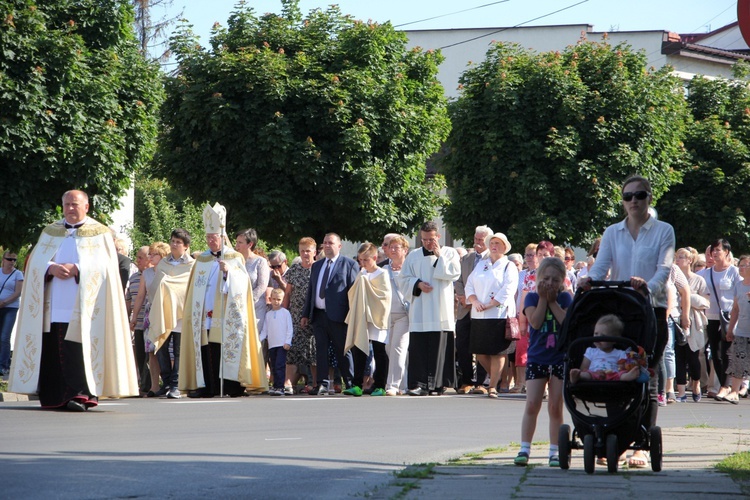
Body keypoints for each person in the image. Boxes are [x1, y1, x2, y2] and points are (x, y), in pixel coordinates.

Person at [8, 190, 138, 410]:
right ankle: (55, 396)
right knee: (53, 349)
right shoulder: (51, 231)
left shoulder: (100, 233)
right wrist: (51, 268)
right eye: (66, 204)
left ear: (86, 207)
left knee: (79, 351)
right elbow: (36, 262)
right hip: (52, 304)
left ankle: (81, 395)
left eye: (75, 204)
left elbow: (107, 268)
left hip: (85, 306)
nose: (70, 208)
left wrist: (78, 268)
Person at [579, 175, 675, 469]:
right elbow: (602, 266)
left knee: (646, 372)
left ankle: (642, 443)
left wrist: (647, 286)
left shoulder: (663, 231)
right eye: (629, 196)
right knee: (612, 371)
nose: (634, 200)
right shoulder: (612, 232)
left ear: (649, 198)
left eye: (640, 195)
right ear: (623, 201)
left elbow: (665, 269)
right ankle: (617, 437)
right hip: (620, 309)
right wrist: (589, 281)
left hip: (649, 308)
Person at [179, 203, 268, 398]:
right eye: (208, 237)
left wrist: (229, 274)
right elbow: (194, 288)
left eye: (214, 237)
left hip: (227, 314)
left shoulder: (234, 257)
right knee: (205, 350)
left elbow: (243, 283)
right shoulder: (201, 260)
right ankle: (206, 387)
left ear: (221, 237)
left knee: (225, 348)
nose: (211, 241)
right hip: (204, 314)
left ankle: (230, 387)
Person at [514, 257, 572, 467]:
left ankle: (555, 451)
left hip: (559, 358)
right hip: (538, 358)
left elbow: (566, 323)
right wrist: (543, 300)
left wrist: (553, 301)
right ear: (538, 278)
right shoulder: (530, 298)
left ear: (562, 281)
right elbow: (536, 322)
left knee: (556, 406)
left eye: (555, 280)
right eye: (545, 278)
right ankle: (524, 448)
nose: (549, 283)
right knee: (532, 404)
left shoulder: (566, 299)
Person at [397, 221, 461, 396]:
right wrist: (417, 284)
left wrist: (440, 256)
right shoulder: (413, 256)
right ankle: (419, 384)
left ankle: (438, 384)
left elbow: (454, 273)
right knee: (419, 348)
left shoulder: (449, 253)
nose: (427, 242)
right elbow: (403, 279)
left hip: (441, 309)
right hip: (420, 310)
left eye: (431, 239)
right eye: (424, 239)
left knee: (439, 346)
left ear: (438, 236)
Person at [301, 232, 359, 395]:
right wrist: (306, 313)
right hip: (319, 315)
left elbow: (353, 292)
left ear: (339, 246)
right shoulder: (317, 265)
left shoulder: (349, 264)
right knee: (321, 350)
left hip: (339, 316)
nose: (327, 245)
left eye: (330, 243)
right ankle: (322, 384)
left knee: (343, 350)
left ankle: (349, 383)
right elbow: (311, 291)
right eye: (325, 242)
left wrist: (351, 316)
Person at [465, 232, 517, 398]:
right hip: (479, 314)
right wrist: (474, 301)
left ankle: (493, 385)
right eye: (492, 243)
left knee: (498, 352)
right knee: (480, 352)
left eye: (498, 243)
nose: (494, 246)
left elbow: (508, 289)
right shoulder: (481, 264)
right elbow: (469, 285)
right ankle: (498, 376)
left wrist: (490, 304)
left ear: (504, 247)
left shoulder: (509, 266)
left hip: (499, 314)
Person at [147, 228, 194, 399]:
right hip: (163, 311)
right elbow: (156, 286)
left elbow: (189, 287)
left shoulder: (191, 265)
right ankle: (166, 381)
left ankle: (176, 384)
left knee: (179, 350)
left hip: (181, 313)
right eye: (172, 241)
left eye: (178, 242)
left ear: (186, 246)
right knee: (161, 348)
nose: (174, 244)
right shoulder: (163, 264)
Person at [344, 242, 391, 396]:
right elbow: (354, 294)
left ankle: (380, 385)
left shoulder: (382, 274)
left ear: (375, 258)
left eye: (366, 260)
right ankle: (357, 384)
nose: (362, 264)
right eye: (360, 261)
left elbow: (384, 296)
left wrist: (366, 286)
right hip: (363, 317)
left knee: (379, 350)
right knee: (359, 349)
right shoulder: (361, 274)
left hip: (377, 317)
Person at [698, 238, 740, 402]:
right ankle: (724, 385)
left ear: (727, 252)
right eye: (713, 250)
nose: (714, 253)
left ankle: (726, 385)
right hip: (711, 316)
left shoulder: (733, 272)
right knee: (714, 352)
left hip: (729, 317)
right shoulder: (706, 272)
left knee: (727, 351)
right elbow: (689, 281)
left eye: (718, 250)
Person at [454, 225, 492, 394]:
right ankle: (466, 380)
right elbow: (458, 280)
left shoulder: (494, 259)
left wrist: (476, 300)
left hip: (483, 309)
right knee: (463, 345)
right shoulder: (466, 259)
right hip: (464, 309)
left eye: (481, 240)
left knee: (482, 346)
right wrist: (464, 298)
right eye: (475, 239)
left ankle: (481, 383)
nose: (477, 243)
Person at [130, 242, 170, 397]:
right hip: (150, 314)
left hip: (166, 313)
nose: (150, 257)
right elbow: (140, 296)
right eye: (150, 254)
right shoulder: (146, 274)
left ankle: (171, 383)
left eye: (154, 254)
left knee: (167, 350)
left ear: (163, 256)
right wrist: (134, 317)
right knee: (152, 351)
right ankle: (154, 386)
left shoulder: (169, 271)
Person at [674, 247, 709, 403]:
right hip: (676, 320)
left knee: (693, 356)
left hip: (693, 322)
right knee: (678, 355)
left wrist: (689, 298)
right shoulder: (672, 277)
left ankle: (696, 382)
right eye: (676, 256)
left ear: (690, 260)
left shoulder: (698, 280)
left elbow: (706, 302)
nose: (678, 259)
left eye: (681, 257)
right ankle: (681, 391)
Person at [283, 237, 318, 393]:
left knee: (312, 351)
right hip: (295, 315)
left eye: (308, 251)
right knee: (292, 350)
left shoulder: (318, 269)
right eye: (302, 251)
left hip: (314, 315)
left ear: (314, 252)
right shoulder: (295, 269)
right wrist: (284, 312)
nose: (305, 254)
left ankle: (315, 383)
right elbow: (288, 293)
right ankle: (288, 383)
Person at [569, 314, 643, 383]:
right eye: (596, 333)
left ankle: (628, 376)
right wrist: (583, 373)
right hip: (594, 374)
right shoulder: (591, 351)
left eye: (603, 336)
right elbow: (583, 368)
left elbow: (623, 367)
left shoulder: (620, 353)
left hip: (613, 375)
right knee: (586, 374)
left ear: (614, 340)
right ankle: (577, 376)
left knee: (621, 374)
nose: (598, 338)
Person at [383, 235, 410, 396]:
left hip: (404, 314)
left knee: (398, 349)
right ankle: (404, 384)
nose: (392, 250)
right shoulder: (384, 269)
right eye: (390, 247)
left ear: (405, 250)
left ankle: (392, 385)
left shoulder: (409, 268)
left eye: (396, 247)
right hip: (386, 316)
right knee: (390, 349)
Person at [724, 254, 750, 404]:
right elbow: (735, 309)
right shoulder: (739, 286)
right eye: (740, 265)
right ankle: (734, 391)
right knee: (738, 361)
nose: (742, 268)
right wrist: (730, 329)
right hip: (741, 330)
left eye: (746, 265)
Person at [125, 246, 152, 393]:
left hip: (150, 322)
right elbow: (129, 300)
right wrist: (128, 318)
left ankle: (149, 386)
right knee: (140, 356)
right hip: (138, 324)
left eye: (141, 257)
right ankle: (143, 385)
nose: (137, 260)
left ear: (149, 258)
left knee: (150, 357)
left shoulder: (154, 275)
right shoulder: (133, 278)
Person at [235, 228, 270, 333]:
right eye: (236, 242)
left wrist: (247, 300)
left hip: (255, 309)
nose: (237, 245)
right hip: (237, 308)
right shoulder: (235, 261)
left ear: (250, 244)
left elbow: (262, 286)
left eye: (240, 242)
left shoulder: (260, 262)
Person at [261, 288, 293, 396]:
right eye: (274, 299)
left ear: (282, 300)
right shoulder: (268, 314)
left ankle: (280, 387)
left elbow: (289, 328)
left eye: (279, 299)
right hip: (272, 344)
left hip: (282, 345)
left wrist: (288, 341)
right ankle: (275, 386)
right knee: (273, 366)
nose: (276, 302)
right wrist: (259, 340)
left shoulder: (285, 313)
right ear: (270, 299)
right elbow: (265, 330)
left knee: (280, 365)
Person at [0, 250, 24, 376]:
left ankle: (4, 366)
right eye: (9, 259)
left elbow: (17, 292)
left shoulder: (18, 274)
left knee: (4, 337)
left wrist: (4, 302)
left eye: (14, 260)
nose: (12, 262)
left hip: (10, 307)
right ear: (3, 259)